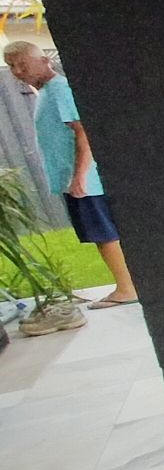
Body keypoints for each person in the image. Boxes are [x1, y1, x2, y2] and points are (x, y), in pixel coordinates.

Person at [4, 41, 138, 331]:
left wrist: (80, 176)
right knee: (100, 233)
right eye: (12, 66)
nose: (17, 71)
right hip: (74, 179)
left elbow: (82, 133)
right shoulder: (47, 94)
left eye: (22, 64)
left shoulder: (60, 90)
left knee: (104, 234)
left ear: (43, 61)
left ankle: (126, 288)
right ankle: (127, 284)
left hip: (85, 180)